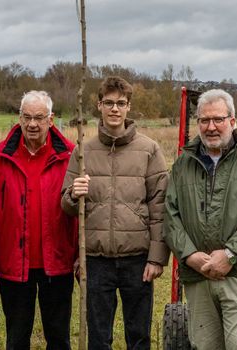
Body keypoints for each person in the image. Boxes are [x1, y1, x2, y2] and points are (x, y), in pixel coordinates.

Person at [60, 76, 168, 350]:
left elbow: (159, 207)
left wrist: (156, 258)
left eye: (121, 103)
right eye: (108, 103)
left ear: (129, 107)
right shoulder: (83, 151)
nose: (114, 109)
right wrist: (73, 194)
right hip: (96, 261)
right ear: (99, 105)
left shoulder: (149, 150)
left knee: (139, 336)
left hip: (137, 260)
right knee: (98, 338)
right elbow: (66, 205)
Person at [163, 89, 237, 349]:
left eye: (218, 119)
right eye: (204, 120)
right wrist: (189, 255)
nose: (211, 127)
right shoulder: (183, 164)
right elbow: (170, 215)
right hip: (199, 275)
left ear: (232, 121)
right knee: (204, 345)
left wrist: (230, 254)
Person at [0, 91, 77, 350]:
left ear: (51, 119)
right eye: (27, 117)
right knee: (17, 337)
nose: (32, 124)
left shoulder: (70, 156)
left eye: (39, 117)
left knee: (58, 336)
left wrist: (81, 259)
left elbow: (83, 210)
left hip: (58, 261)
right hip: (14, 263)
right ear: (19, 118)